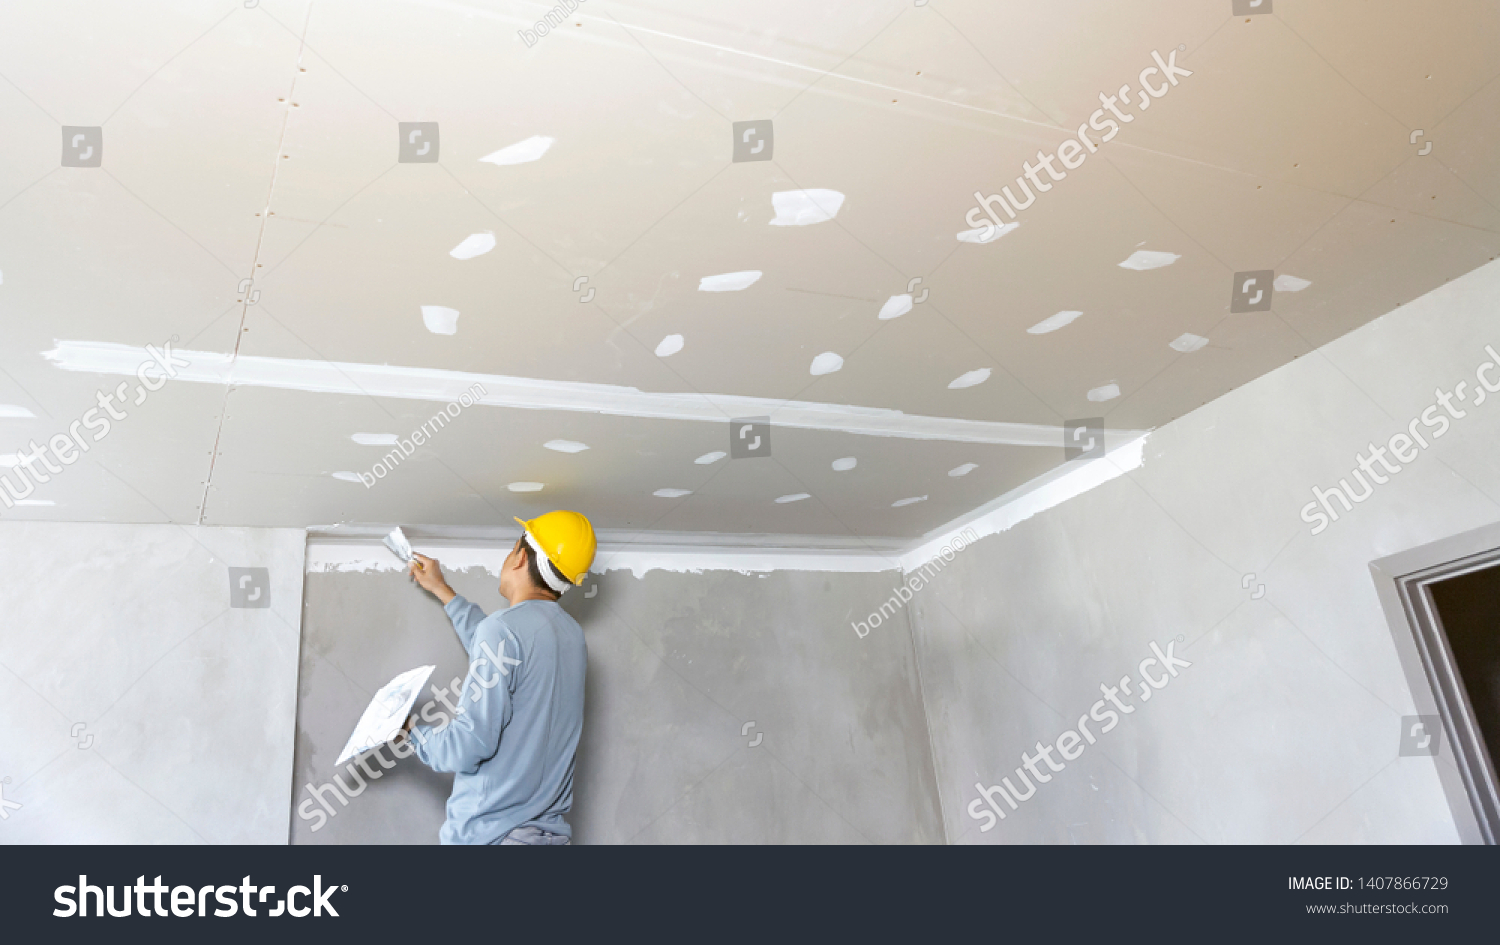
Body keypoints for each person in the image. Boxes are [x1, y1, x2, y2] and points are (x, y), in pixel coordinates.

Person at [402, 511, 595, 845]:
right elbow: (501, 648)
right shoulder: (571, 636)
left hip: (494, 839)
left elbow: (466, 746)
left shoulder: (503, 632)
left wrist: (411, 732)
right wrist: (444, 591)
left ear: (520, 555)